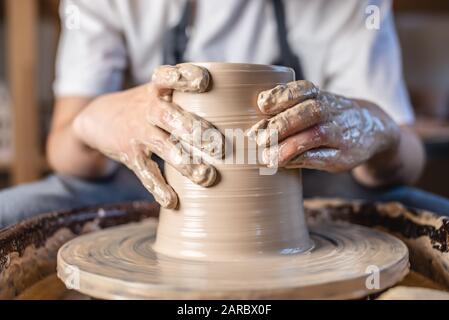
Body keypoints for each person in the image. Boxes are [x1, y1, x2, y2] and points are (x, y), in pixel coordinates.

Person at [1, 0, 447, 229]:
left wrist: (377, 128)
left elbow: (405, 160)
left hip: (301, 190)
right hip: (155, 184)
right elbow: (65, 149)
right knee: (13, 214)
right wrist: (95, 117)